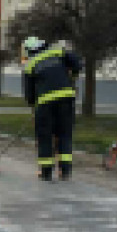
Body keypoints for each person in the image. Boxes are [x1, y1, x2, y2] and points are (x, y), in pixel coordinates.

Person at [23, 36, 82, 181]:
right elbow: (77, 63)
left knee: (45, 136)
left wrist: (33, 107)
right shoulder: (57, 52)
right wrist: (72, 77)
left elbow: (29, 93)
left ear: (29, 51)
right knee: (65, 134)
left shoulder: (30, 64)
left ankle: (46, 172)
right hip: (66, 99)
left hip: (45, 102)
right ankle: (65, 171)